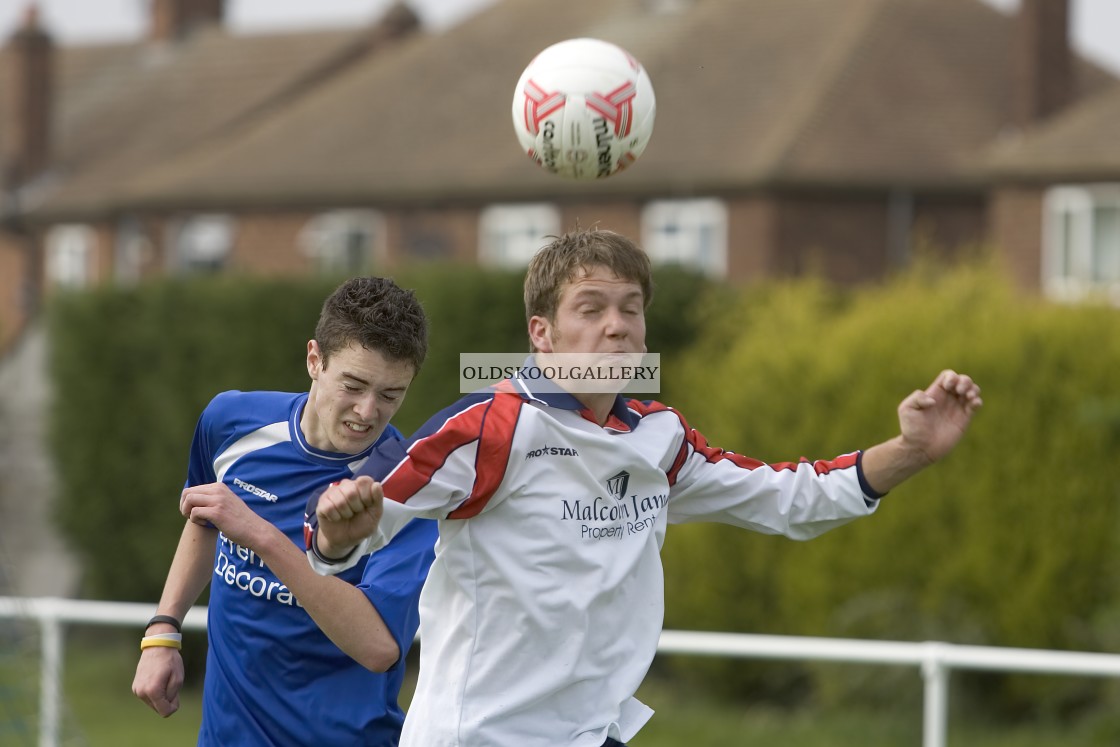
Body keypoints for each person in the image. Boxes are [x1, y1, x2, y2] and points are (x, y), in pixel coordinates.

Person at [304, 228, 984, 747]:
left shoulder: (660, 437)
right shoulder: (490, 426)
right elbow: (361, 521)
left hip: (594, 733)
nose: (617, 324)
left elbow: (790, 498)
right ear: (541, 333)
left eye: (631, 308)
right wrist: (338, 529)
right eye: (591, 307)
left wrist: (911, 451)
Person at [133, 276, 438, 747]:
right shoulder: (231, 421)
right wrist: (164, 630)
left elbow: (378, 648)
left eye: (391, 395)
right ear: (315, 359)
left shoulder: (407, 487)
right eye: (353, 385)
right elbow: (206, 519)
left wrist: (264, 537)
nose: (367, 411)